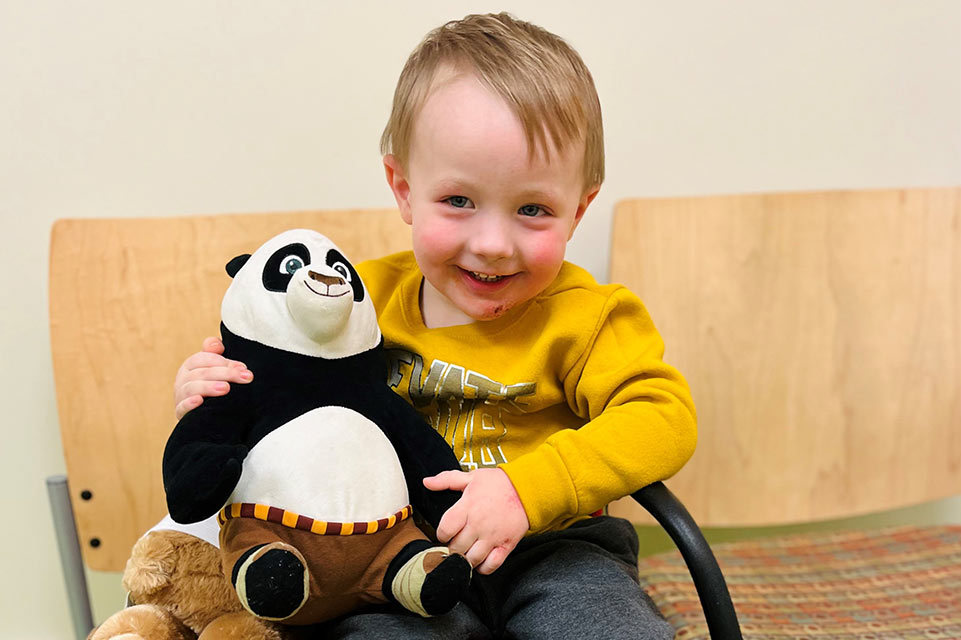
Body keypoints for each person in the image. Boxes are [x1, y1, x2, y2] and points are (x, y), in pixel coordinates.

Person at [173, 12, 695, 639]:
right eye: (458, 201)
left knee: (607, 629)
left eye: (533, 209)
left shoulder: (590, 316)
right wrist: (211, 387)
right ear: (403, 188)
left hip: (558, 548)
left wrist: (528, 489)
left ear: (579, 209)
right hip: (395, 555)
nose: (494, 243)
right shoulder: (353, 303)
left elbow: (664, 416)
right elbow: (276, 389)